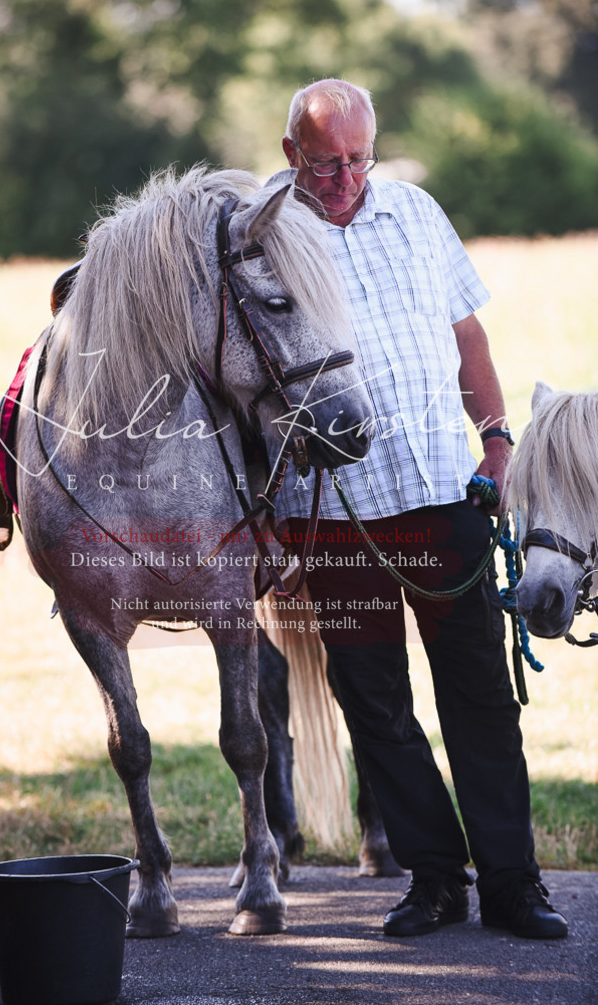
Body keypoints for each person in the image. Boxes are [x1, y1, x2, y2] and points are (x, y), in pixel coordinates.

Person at [268, 78, 568, 939]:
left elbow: (467, 334)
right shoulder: (263, 234)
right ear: (291, 154)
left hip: (443, 495)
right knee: (374, 703)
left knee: (480, 695)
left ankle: (513, 884)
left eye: (358, 159)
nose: (344, 179)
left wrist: (497, 438)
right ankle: (435, 880)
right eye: (325, 164)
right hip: (331, 513)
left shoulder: (415, 211)